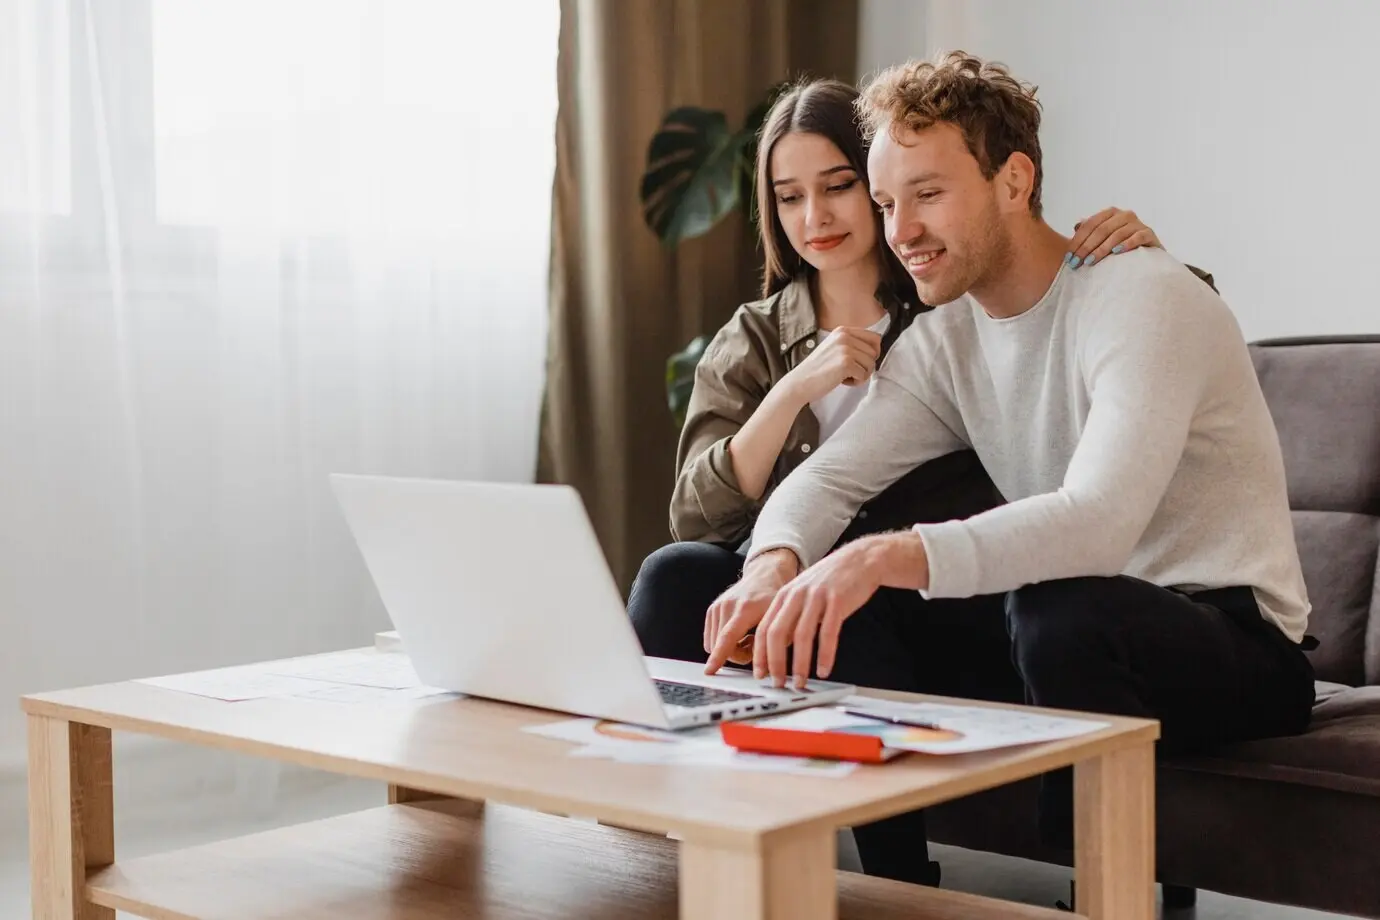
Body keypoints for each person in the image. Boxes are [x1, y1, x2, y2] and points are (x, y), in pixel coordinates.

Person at [697, 51, 1315, 882]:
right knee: (846, 601)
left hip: (1232, 638)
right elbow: (828, 478)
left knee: (1059, 612)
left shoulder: (1142, 296)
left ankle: (1101, 894)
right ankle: (892, 884)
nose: (901, 231)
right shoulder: (948, 340)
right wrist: (776, 564)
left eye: (928, 193)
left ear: (1014, 182)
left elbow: (1099, 519)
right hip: (1063, 624)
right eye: (886, 202)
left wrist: (882, 553)